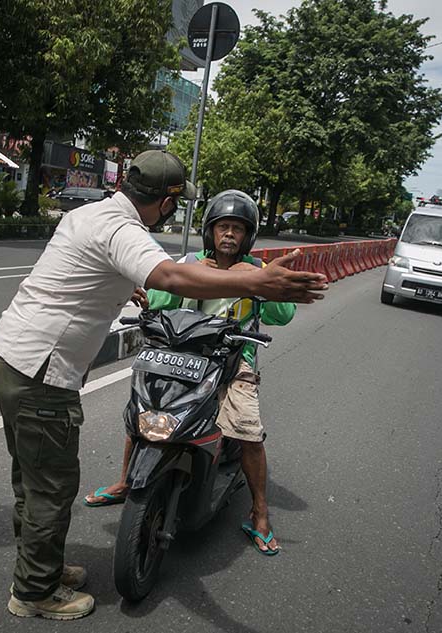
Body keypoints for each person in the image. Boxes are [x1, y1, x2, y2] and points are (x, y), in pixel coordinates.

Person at [0, 150, 327, 621]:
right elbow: (167, 277)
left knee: (31, 479)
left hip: (8, 355)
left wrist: (123, 285)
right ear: (167, 203)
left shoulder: (89, 213)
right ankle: (34, 591)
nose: (228, 234)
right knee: (50, 487)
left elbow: (88, 271)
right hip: (42, 372)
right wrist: (260, 283)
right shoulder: (127, 232)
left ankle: (41, 565)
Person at [85, 189, 291, 556]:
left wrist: (265, 286)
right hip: (183, 354)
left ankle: (259, 512)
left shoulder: (257, 271)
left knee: (247, 429)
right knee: (144, 412)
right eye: (223, 227)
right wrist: (148, 291)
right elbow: (163, 298)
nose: (229, 235)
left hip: (233, 361)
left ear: (248, 236)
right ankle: (124, 482)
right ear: (210, 230)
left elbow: (283, 315)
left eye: (237, 229)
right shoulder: (190, 261)